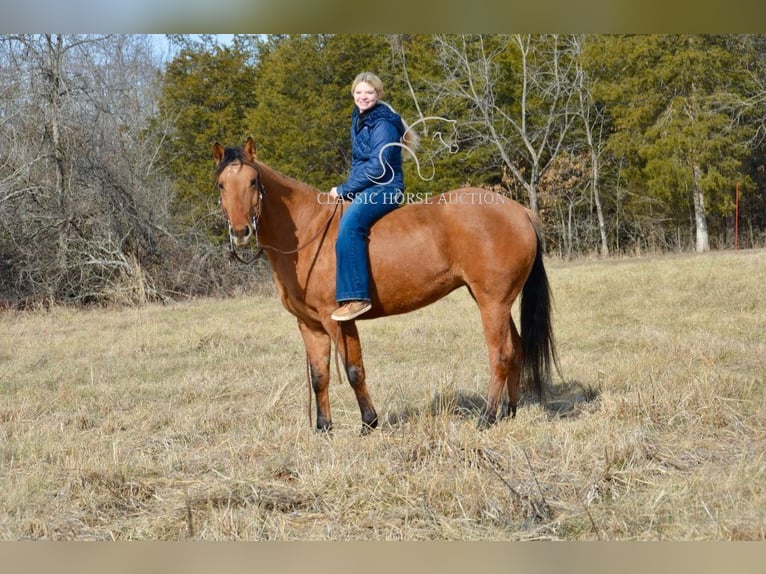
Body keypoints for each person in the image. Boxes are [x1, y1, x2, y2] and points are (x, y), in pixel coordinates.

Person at [329, 72, 416, 322]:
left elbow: (379, 166)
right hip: (368, 187)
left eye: (369, 92)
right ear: (353, 94)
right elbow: (359, 163)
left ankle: (357, 297)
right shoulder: (359, 118)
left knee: (350, 226)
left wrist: (345, 189)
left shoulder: (383, 123)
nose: (363, 97)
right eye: (359, 92)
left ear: (378, 95)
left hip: (386, 188)